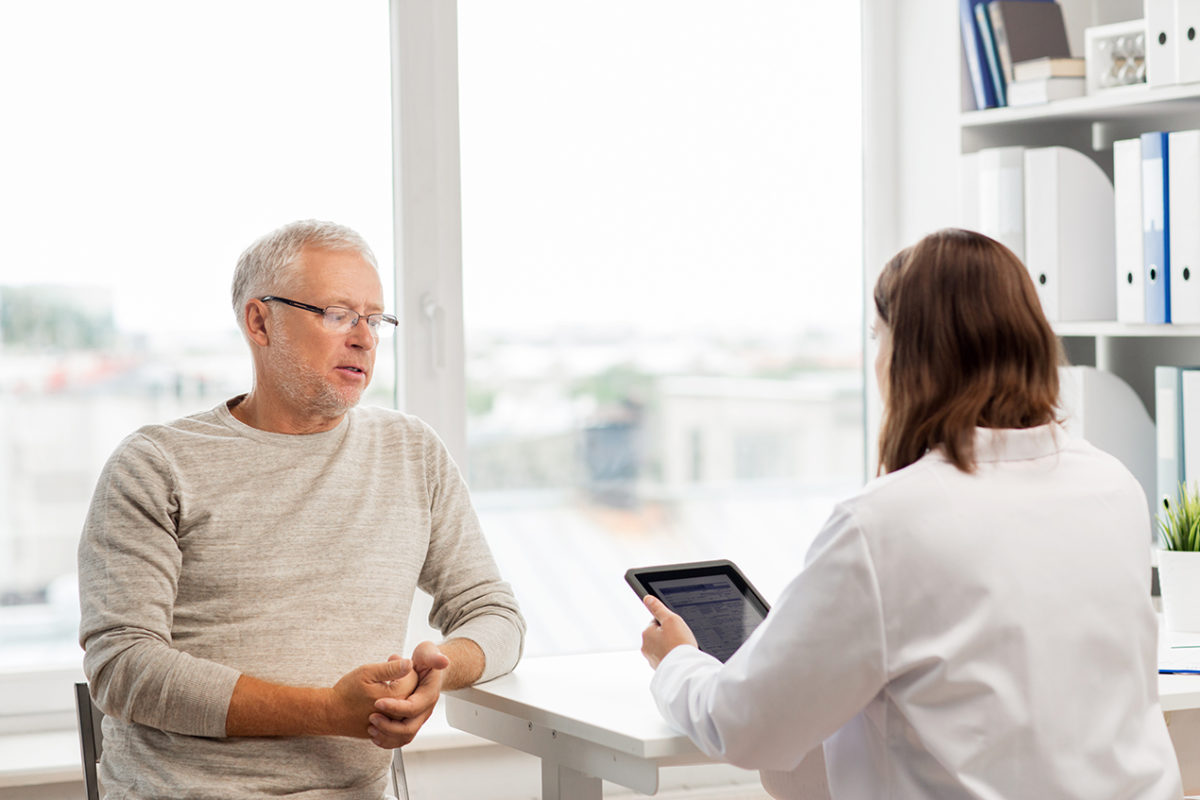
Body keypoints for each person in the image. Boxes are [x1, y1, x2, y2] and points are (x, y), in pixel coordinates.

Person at [639, 228, 1183, 799]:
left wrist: (679, 661)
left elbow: (742, 727)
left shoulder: (885, 524)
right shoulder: (1112, 484)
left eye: (880, 337)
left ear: (910, 357)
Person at [77, 219, 525, 799]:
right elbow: (123, 667)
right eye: (337, 313)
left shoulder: (412, 452)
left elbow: (495, 615)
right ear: (260, 321)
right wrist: (326, 712)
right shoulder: (156, 464)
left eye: (375, 318)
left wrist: (435, 670)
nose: (364, 338)